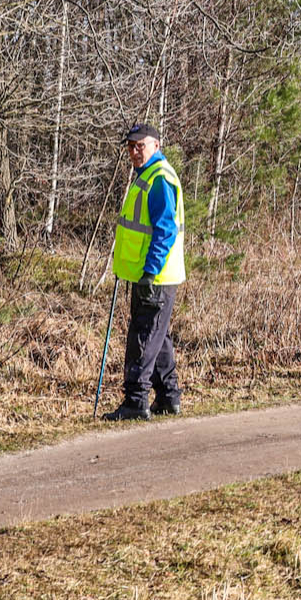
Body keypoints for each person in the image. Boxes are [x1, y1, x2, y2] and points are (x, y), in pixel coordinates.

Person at [102, 124, 186, 420]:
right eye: (131, 147)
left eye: (141, 146)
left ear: (156, 145)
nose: (135, 151)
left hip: (156, 276)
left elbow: (165, 231)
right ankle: (168, 397)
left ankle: (136, 401)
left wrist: (150, 271)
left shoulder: (159, 178)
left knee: (143, 336)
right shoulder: (147, 175)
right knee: (157, 337)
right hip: (150, 274)